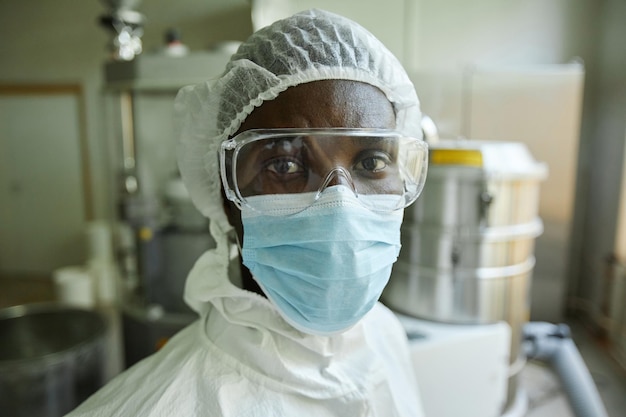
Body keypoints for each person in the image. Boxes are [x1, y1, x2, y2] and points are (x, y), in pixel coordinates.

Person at [67, 9, 428, 416]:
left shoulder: (385, 334)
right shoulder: (161, 405)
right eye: (285, 165)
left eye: (371, 162)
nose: (340, 205)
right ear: (226, 195)